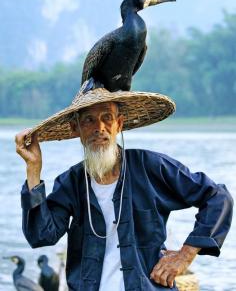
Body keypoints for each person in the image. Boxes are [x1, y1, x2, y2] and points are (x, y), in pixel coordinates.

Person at [15, 83, 233, 291]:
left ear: (118, 124)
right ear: (76, 129)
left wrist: (185, 255)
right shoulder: (71, 182)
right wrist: (33, 169)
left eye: (106, 118)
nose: (99, 127)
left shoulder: (150, 167)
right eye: (89, 120)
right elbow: (41, 235)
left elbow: (217, 197)